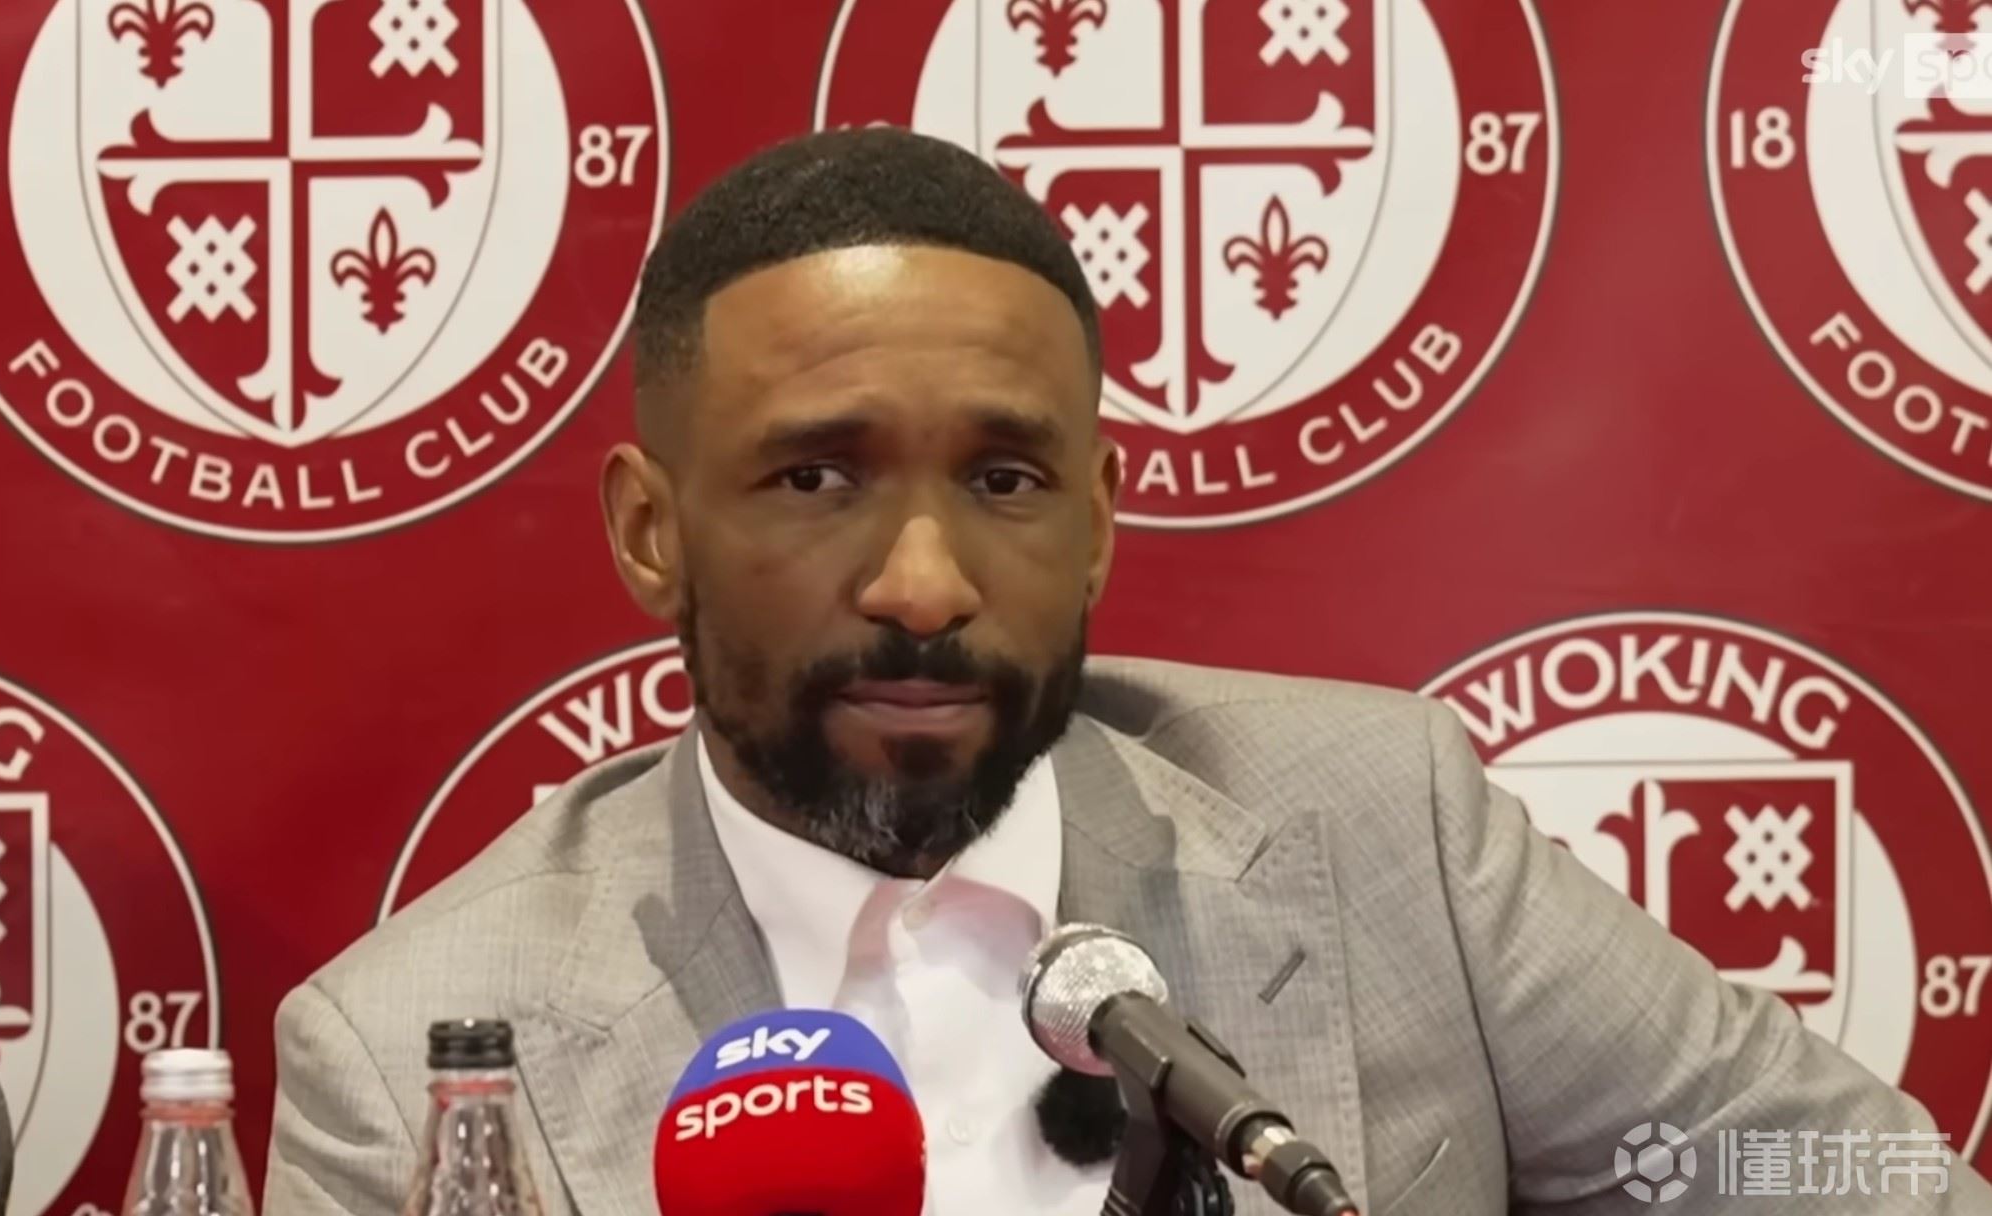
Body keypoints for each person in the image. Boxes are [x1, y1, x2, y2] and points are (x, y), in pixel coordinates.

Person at [262, 128, 1990, 1216]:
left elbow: (1863, 1187)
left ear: (1096, 523)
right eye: (818, 477)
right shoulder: (409, 1049)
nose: (925, 584)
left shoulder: (1388, 836)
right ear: (653, 532)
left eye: (1006, 480)